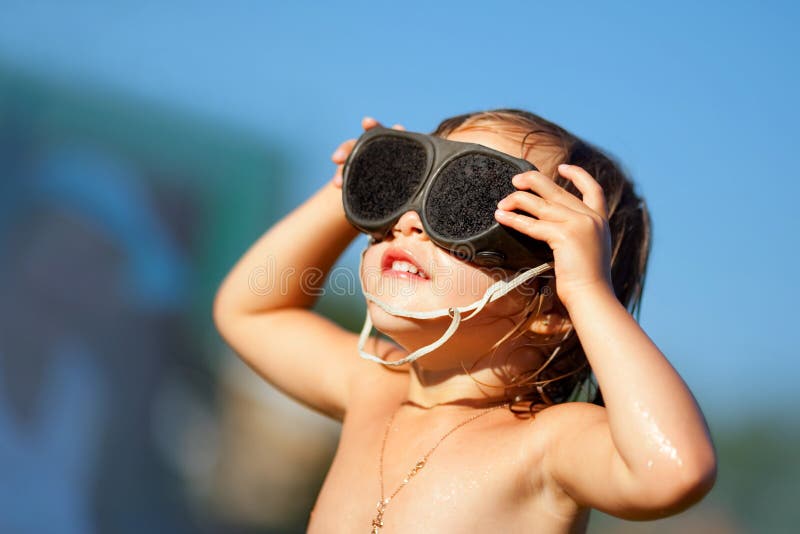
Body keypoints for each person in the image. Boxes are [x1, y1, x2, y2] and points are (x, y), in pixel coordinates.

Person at [213, 108, 718, 533]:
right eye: (405, 189)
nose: (410, 221)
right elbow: (251, 310)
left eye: (469, 201)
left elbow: (673, 470)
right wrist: (345, 190)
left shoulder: (546, 447)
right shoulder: (377, 388)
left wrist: (588, 291)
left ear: (553, 310)